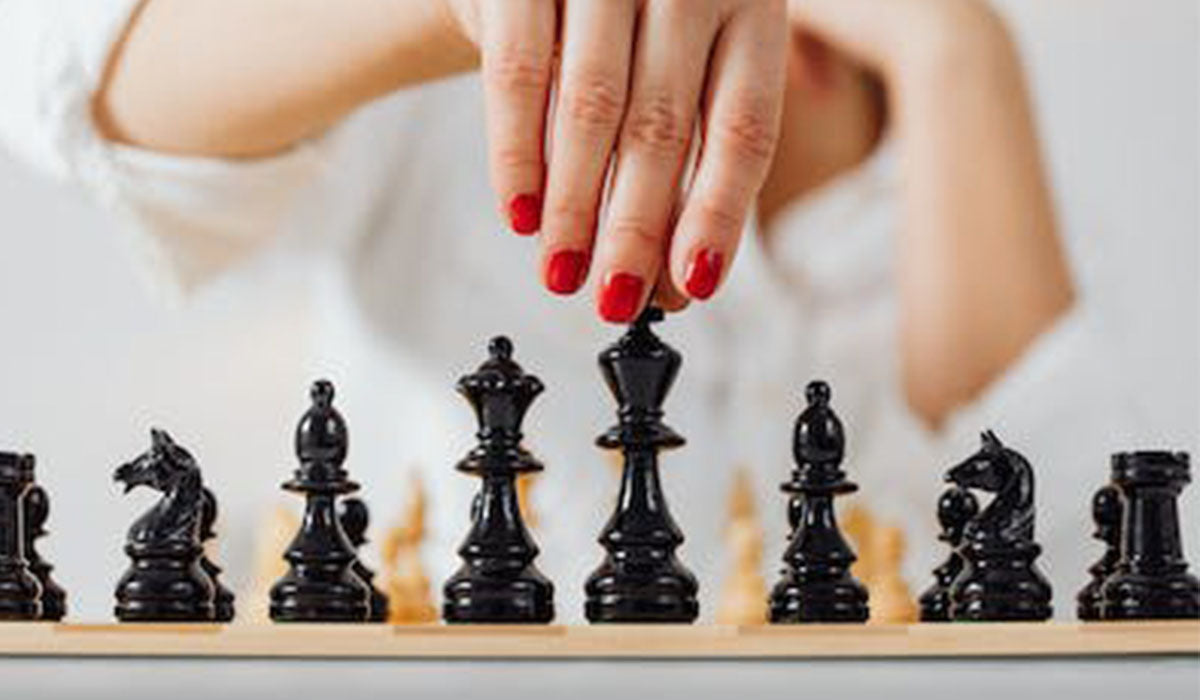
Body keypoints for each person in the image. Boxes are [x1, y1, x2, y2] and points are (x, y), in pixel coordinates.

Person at [0, 0, 1134, 619]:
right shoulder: (437, 114)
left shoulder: (974, 159)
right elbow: (64, 70)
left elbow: (1071, 580)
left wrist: (956, 49)